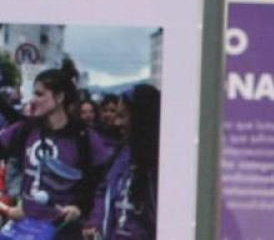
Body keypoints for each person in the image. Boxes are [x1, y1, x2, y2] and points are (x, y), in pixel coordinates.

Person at [0, 69, 112, 240]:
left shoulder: (84, 137)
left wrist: (82, 209)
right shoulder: (26, 129)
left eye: (39, 94)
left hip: (65, 231)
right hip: (24, 227)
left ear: (59, 97)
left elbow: (102, 183)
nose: (33, 100)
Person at [84, 85, 159, 240]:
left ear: (140, 118)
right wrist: (96, 222)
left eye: (123, 116)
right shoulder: (122, 154)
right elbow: (104, 191)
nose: (117, 123)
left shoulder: (161, 164)